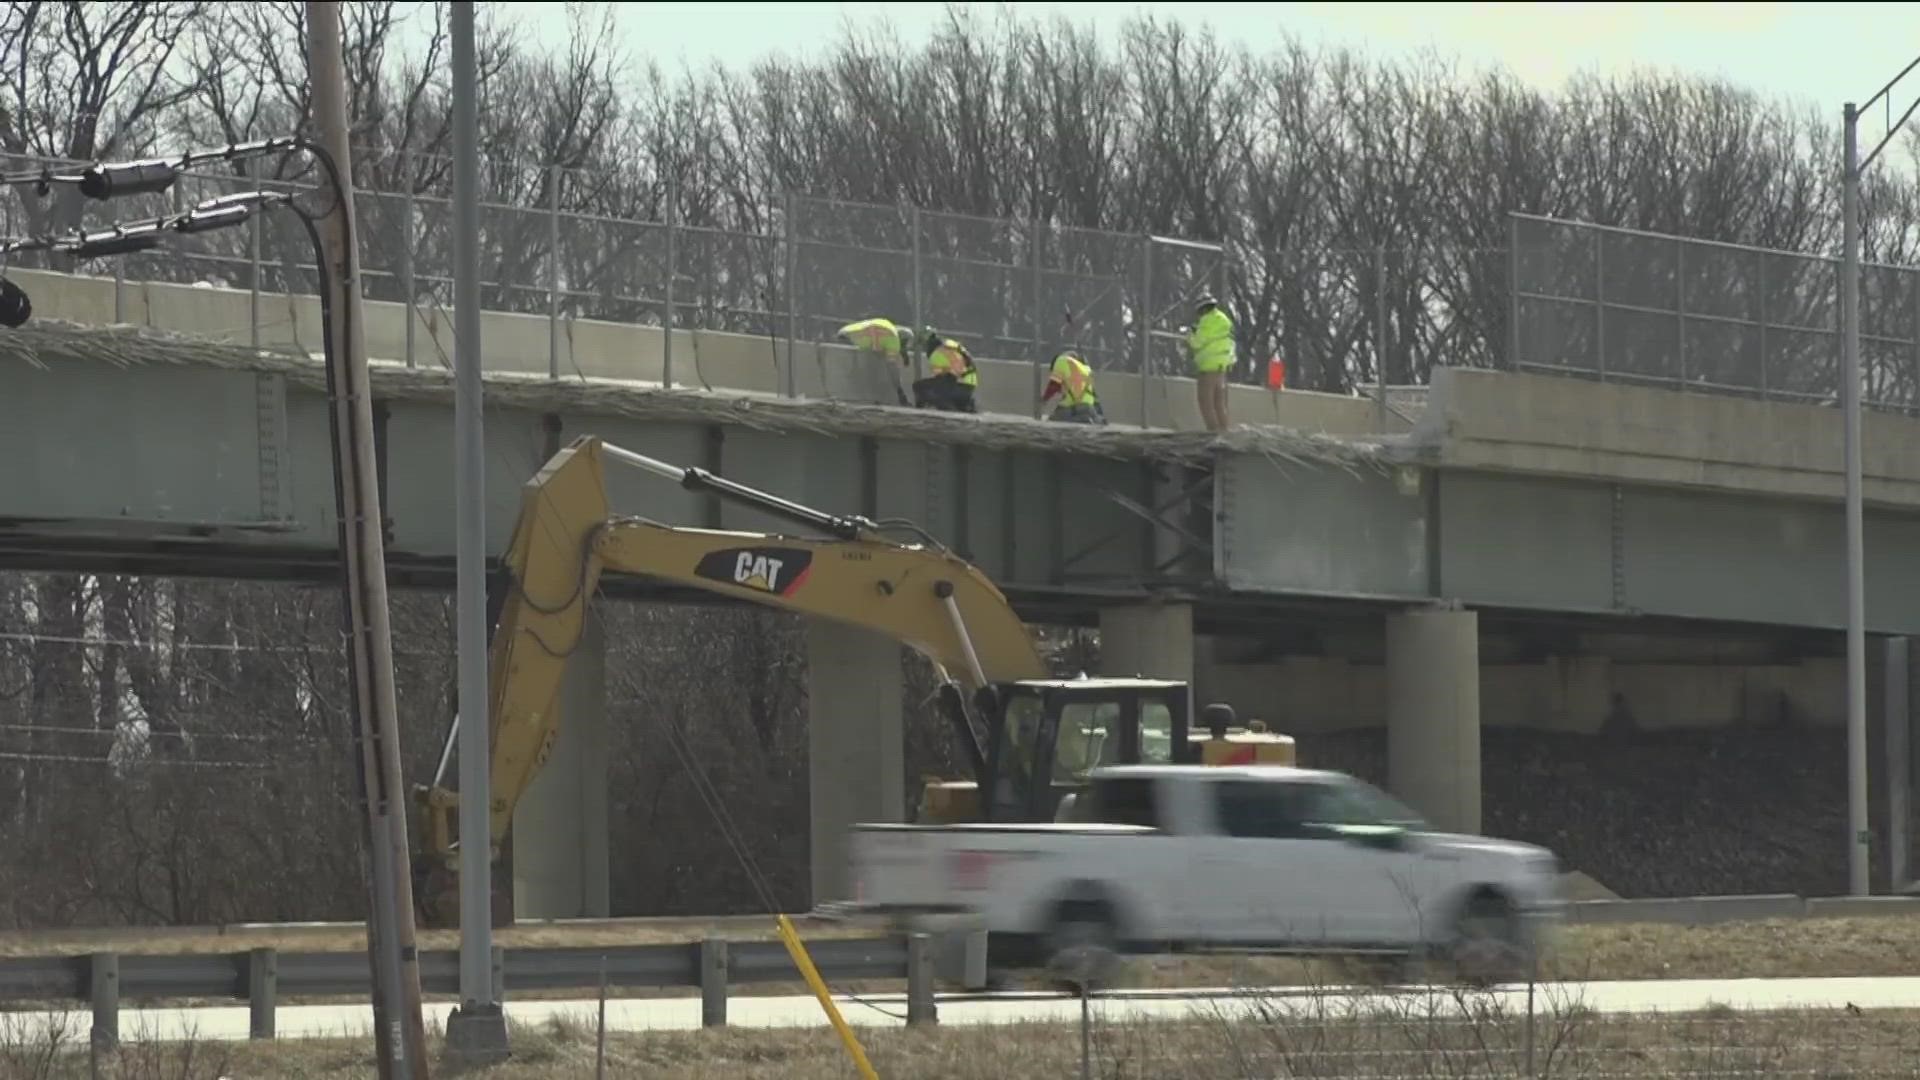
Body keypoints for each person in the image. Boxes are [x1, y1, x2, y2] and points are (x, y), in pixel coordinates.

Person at [1187, 296, 1235, 432]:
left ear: (1201, 309)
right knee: (1219, 403)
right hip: (1222, 367)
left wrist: (1190, 334)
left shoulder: (1207, 321)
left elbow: (1197, 343)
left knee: (1205, 402)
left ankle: (1212, 433)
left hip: (1208, 367)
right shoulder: (1222, 319)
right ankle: (1224, 432)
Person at [912, 327, 979, 413]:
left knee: (920, 387)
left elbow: (959, 364)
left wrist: (950, 376)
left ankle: (948, 408)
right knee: (935, 385)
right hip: (966, 385)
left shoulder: (941, 350)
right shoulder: (947, 344)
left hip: (961, 384)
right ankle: (963, 405)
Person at [1041, 349, 1104, 424]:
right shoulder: (1084, 368)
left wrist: (1043, 400)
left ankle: (1081, 420)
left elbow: (1054, 385)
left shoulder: (1060, 361)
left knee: (1053, 420)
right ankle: (1087, 419)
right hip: (1090, 407)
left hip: (1074, 406)